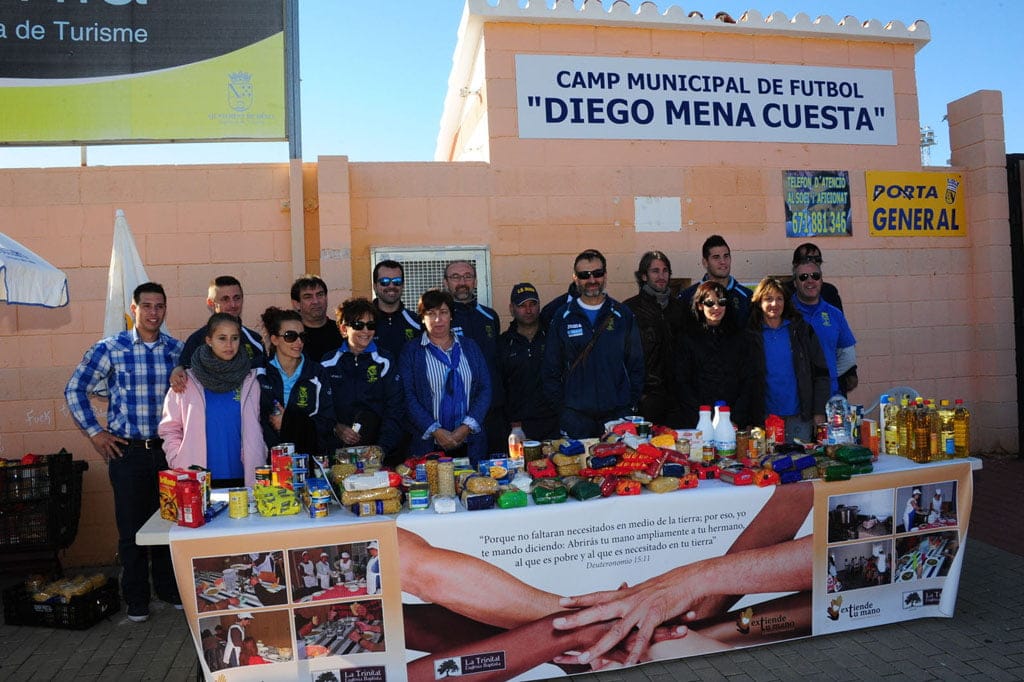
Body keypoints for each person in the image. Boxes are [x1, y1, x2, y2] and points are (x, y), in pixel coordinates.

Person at [65, 282, 183, 623]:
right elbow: (74, 389)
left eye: (159, 306)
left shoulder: (176, 351)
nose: (153, 312)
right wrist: (95, 432)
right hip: (127, 454)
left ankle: (168, 589)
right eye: (146, 306)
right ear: (133, 309)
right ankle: (136, 598)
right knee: (131, 531)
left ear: (165, 309)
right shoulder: (110, 348)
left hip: (166, 454)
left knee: (167, 526)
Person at [542, 249, 644, 438]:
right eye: (584, 275)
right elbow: (550, 369)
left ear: (605, 275)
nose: (592, 280)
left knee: (621, 467)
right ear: (575, 278)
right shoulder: (563, 316)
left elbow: (636, 364)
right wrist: (563, 409)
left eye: (597, 273)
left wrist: (629, 405)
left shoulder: (622, 315)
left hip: (617, 415)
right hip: (576, 418)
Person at [158, 313, 266, 488]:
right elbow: (169, 429)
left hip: (246, 478)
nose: (229, 345)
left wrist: (261, 451)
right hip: (197, 479)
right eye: (222, 338)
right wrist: (177, 460)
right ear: (209, 340)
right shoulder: (186, 381)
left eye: (235, 338)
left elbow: (263, 423)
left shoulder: (251, 380)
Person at [399, 289, 492, 462]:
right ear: (422, 318)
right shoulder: (411, 351)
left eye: (443, 312)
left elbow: (485, 388)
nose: (437, 319)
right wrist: (435, 430)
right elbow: (408, 395)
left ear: (451, 316)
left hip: (470, 441)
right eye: (430, 313)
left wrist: (466, 428)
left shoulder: (470, 347)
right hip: (429, 444)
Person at [320, 297, 404, 461]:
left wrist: (381, 449)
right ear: (344, 329)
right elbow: (322, 409)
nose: (366, 331)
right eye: (359, 325)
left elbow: (395, 408)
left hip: (378, 449)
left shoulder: (385, 360)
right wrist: (337, 428)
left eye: (371, 325)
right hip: (339, 450)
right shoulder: (327, 363)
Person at [748, 277, 830, 441]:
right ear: (759, 302)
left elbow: (821, 372)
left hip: (799, 416)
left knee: (800, 463)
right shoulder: (750, 335)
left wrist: (819, 411)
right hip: (763, 418)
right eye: (769, 299)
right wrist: (747, 419)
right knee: (766, 465)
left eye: (780, 299)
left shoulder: (801, 330)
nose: (775, 304)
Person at [675, 280, 757, 428]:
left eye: (722, 302)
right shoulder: (687, 339)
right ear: (700, 305)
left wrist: (735, 418)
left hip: (734, 421)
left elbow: (748, 380)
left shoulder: (739, 338)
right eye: (710, 303)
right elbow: (682, 384)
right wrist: (704, 419)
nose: (716, 307)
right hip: (698, 421)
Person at [444, 260, 505, 452]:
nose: (462, 282)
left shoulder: (490, 316)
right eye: (455, 277)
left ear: (476, 281)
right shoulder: (441, 320)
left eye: (467, 276)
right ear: (446, 283)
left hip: (492, 413)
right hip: (457, 417)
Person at [258, 306, 336, 456]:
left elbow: (327, 422)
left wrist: (288, 423)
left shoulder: (316, 373)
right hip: (267, 460)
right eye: (290, 336)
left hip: (306, 459)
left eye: (302, 336)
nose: (298, 342)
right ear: (274, 339)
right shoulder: (259, 371)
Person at [624, 251, 687, 426]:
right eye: (655, 271)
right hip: (646, 400)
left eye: (665, 270)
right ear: (644, 276)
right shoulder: (629, 310)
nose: (661, 276)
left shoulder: (680, 309)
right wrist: (638, 395)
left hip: (678, 400)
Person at [173, 276, 265, 383]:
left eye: (237, 298)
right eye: (225, 299)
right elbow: (184, 372)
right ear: (211, 303)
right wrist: (178, 370)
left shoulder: (255, 340)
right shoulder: (196, 340)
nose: (233, 305)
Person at [498, 282, 559, 441]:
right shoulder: (503, 343)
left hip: (555, 422)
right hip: (518, 427)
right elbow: (499, 388)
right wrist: (511, 424)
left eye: (533, 304)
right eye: (522, 305)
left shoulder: (554, 337)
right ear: (512, 309)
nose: (529, 310)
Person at [791, 258, 858, 396]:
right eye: (803, 277)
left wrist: (826, 376)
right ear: (795, 283)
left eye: (815, 276)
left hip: (829, 396)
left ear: (821, 281)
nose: (810, 280)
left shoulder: (835, 314)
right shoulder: (784, 312)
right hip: (794, 400)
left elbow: (848, 357)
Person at [678, 235, 753, 326]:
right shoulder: (688, 297)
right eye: (716, 257)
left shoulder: (747, 296)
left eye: (726, 256)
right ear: (705, 262)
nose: (723, 262)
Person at [371, 259, 421, 359]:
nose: (391, 286)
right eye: (384, 282)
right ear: (375, 286)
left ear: (403, 286)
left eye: (397, 282)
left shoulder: (416, 321)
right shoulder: (363, 322)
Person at [290, 274, 343, 362]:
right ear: (296, 304)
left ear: (326, 298)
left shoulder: (342, 332)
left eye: (320, 295)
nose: (315, 301)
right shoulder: (291, 338)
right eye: (308, 297)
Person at [785, 243, 843, 310]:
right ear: (795, 263)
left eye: (817, 259)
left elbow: (837, 318)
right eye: (808, 259)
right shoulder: (784, 291)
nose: (813, 262)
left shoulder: (829, 291)